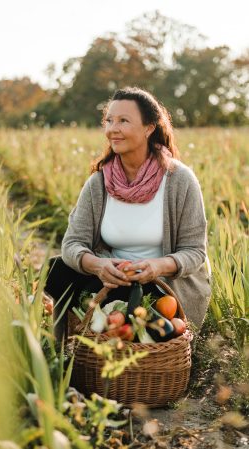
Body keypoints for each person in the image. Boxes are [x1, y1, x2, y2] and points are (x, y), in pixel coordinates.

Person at [45, 86, 212, 341]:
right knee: (55, 270)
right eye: (109, 120)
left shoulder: (180, 181)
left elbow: (195, 252)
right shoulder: (99, 183)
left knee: (147, 320)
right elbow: (72, 244)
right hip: (112, 282)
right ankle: (65, 351)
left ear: (149, 128)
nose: (113, 128)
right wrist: (98, 265)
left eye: (123, 120)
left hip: (163, 287)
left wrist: (157, 267)